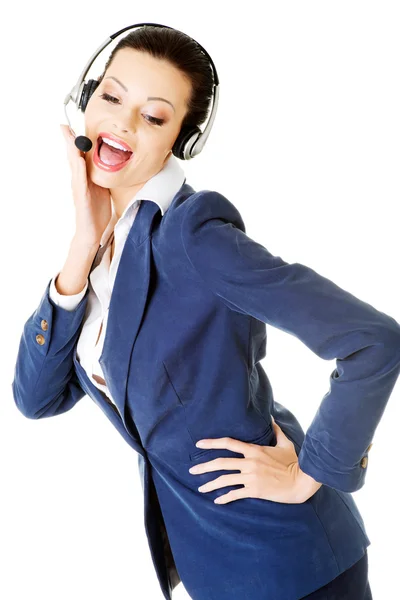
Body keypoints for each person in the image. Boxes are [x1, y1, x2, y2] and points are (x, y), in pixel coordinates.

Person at [12, 24, 400, 600]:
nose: (121, 123)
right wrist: (80, 244)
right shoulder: (107, 248)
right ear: (86, 98)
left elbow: (374, 341)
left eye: (154, 116)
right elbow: (37, 397)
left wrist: (310, 473)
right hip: (215, 567)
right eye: (112, 97)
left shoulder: (194, 237)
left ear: (180, 140)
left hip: (288, 564)